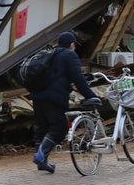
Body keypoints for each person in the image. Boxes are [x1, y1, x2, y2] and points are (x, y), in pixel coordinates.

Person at [28, 31, 100, 173]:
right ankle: (41, 156)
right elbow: (78, 79)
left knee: (42, 128)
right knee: (59, 128)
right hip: (55, 97)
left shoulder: (49, 54)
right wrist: (91, 96)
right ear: (72, 44)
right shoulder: (69, 55)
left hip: (37, 96)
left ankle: (42, 161)